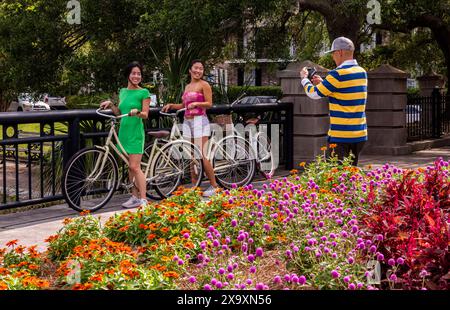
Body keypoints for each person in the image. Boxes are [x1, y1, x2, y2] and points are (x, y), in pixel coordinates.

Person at [300, 36, 368, 166]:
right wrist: (324, 83)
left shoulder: (337, 74)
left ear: (340, 52)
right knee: (351, 174)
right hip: (359, 134)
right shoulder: (361, 72)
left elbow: (314, 94)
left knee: (336, 177)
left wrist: (304, 79)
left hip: (341, 136)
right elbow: (345, 91)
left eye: (333, 54)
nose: (333, 57)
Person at [161, 59, 219, 197]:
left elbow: (209, 104)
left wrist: (197, 104)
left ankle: (214, 186)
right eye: (196, 68)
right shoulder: (187, 87)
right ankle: (195, 186)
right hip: (187, 122)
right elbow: (183, 106)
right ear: (190, 70)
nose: (198, 71)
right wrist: (171, 105)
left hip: (200, 121)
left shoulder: (204, 85)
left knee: (203, 155)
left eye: (201, 68)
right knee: (191, 156)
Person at [100, 61, 151, 208]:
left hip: (135, 133)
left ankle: (143, 199)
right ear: (128, 75)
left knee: (135, 167)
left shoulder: (144, 92)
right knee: (129, 166)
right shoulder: (123, 91)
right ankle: (134, 197)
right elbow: (119, 113)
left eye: (139, 74)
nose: (136, 76)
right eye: (133, 73)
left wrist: (138, 112)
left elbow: (146, 115)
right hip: (124, 132)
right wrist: (111, 104)